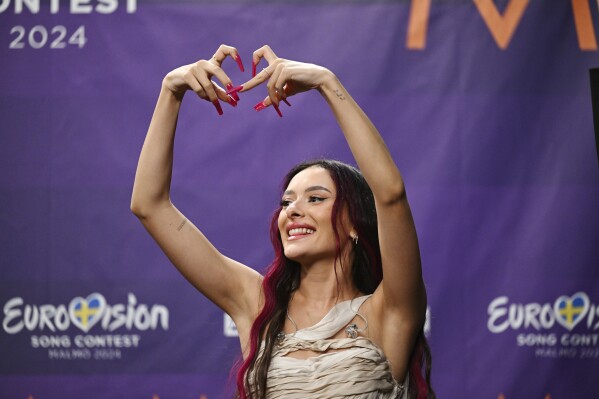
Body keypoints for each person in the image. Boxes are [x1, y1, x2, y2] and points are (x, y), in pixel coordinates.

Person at [131, 44, 434, 399]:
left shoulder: (389, 310)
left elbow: (391, 195)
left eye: (316, 198)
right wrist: (171, 89)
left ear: (355, 223)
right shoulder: (258, 306)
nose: (293, 210)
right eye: (287, 201)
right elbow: (149, 205)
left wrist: (325, 82)